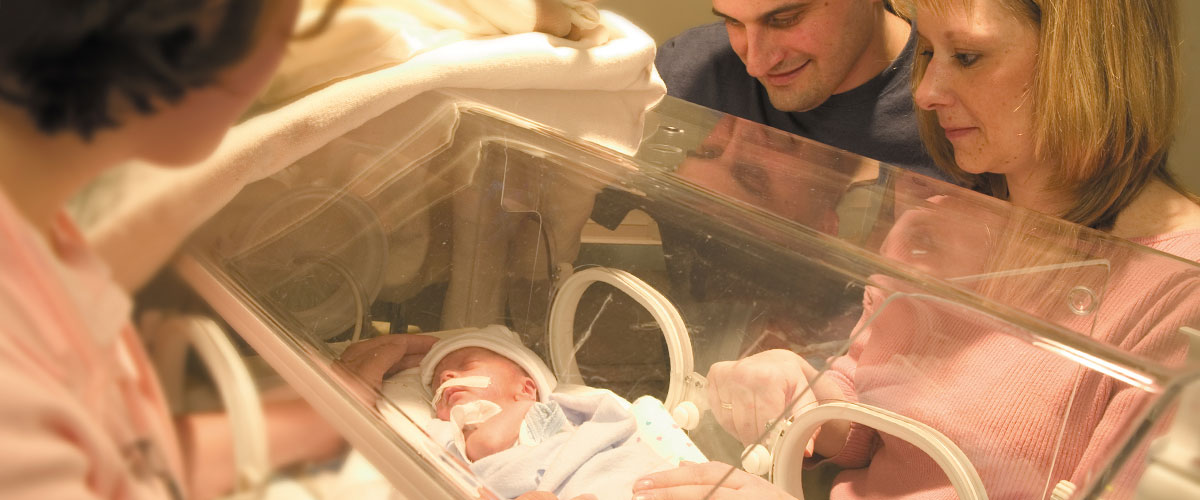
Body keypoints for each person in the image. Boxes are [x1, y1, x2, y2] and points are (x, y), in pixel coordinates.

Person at [632, 0, 1200, 498]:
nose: (925, 93)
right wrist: (802, 389)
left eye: (969, 57)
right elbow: (870, 411)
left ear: (1088, 64)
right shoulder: (945, 221)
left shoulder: (1180, 293)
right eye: (927, 51)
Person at [0, 1, 388, 499]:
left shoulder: (36, 232)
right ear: (199, 23)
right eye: (288, 24)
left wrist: (320, 422)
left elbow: (120, 461)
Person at [655, 0, 945, 179]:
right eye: (733, 22)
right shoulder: (686, 75)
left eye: (785, 19)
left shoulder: (958, 102)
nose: (756, 65)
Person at [410, 325, 676, 500]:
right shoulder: (449, 431)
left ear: (526, 389)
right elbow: (486, 444)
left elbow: (604, 440)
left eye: (468, 365)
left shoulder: (552, 412)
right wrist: (397, 348)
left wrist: (525, 408)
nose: (447, 377)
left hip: (608, 481)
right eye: (438, 385)